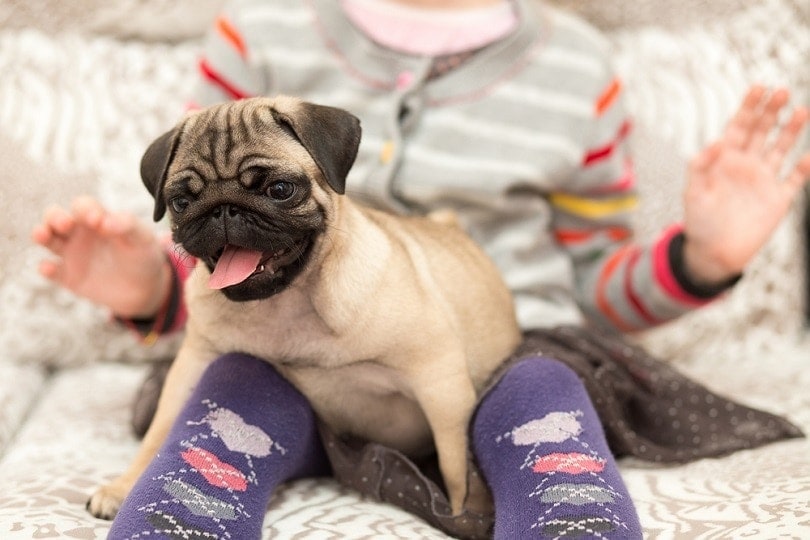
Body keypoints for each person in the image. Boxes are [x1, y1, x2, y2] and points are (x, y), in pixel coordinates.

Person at [32, 0, 810, 538]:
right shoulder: (259, 32)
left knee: (545, 389)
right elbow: (232, 250)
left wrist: (702, 257)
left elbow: (594, 281)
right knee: (234, 384)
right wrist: (146, 290)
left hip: (508, 343)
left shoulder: (578, 66)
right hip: (282, 359)